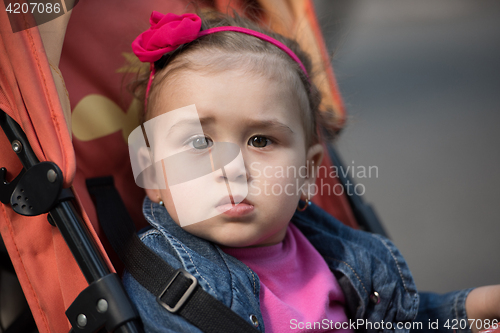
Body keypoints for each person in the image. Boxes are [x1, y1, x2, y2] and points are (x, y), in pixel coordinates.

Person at [122, 10, 500, 333]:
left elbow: (399, 318)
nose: (231, 168)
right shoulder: (173, 281)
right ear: (154, 173)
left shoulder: (340, 255)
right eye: (200, 142)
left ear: (307, 173)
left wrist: (478, 306)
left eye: (260, 141)